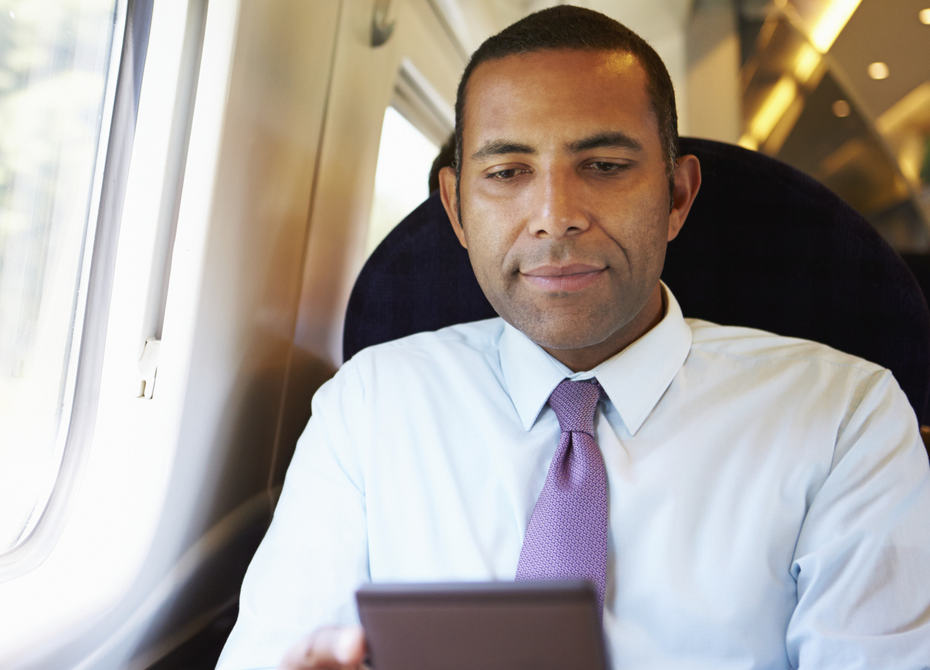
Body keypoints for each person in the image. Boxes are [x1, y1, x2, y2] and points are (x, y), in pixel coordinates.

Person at [217, 7, 930, 670]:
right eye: (506, 173)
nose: (555, 217)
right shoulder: (368, 407)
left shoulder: (846, 415)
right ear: (458, 211)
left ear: (677, 196)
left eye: (605, 167)